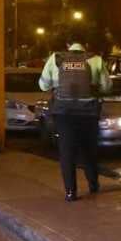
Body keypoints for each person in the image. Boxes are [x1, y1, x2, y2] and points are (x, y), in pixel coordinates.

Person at [39, 36, 111, 201]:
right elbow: (107, 87)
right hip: (88, 113)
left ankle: (71, 192)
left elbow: (43, 85)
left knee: (67, 151)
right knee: (89, 150)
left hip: (64, 113)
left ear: (67, 44)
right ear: (85, 45)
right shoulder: (96, 60)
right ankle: (93, 185)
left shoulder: (56, 58)